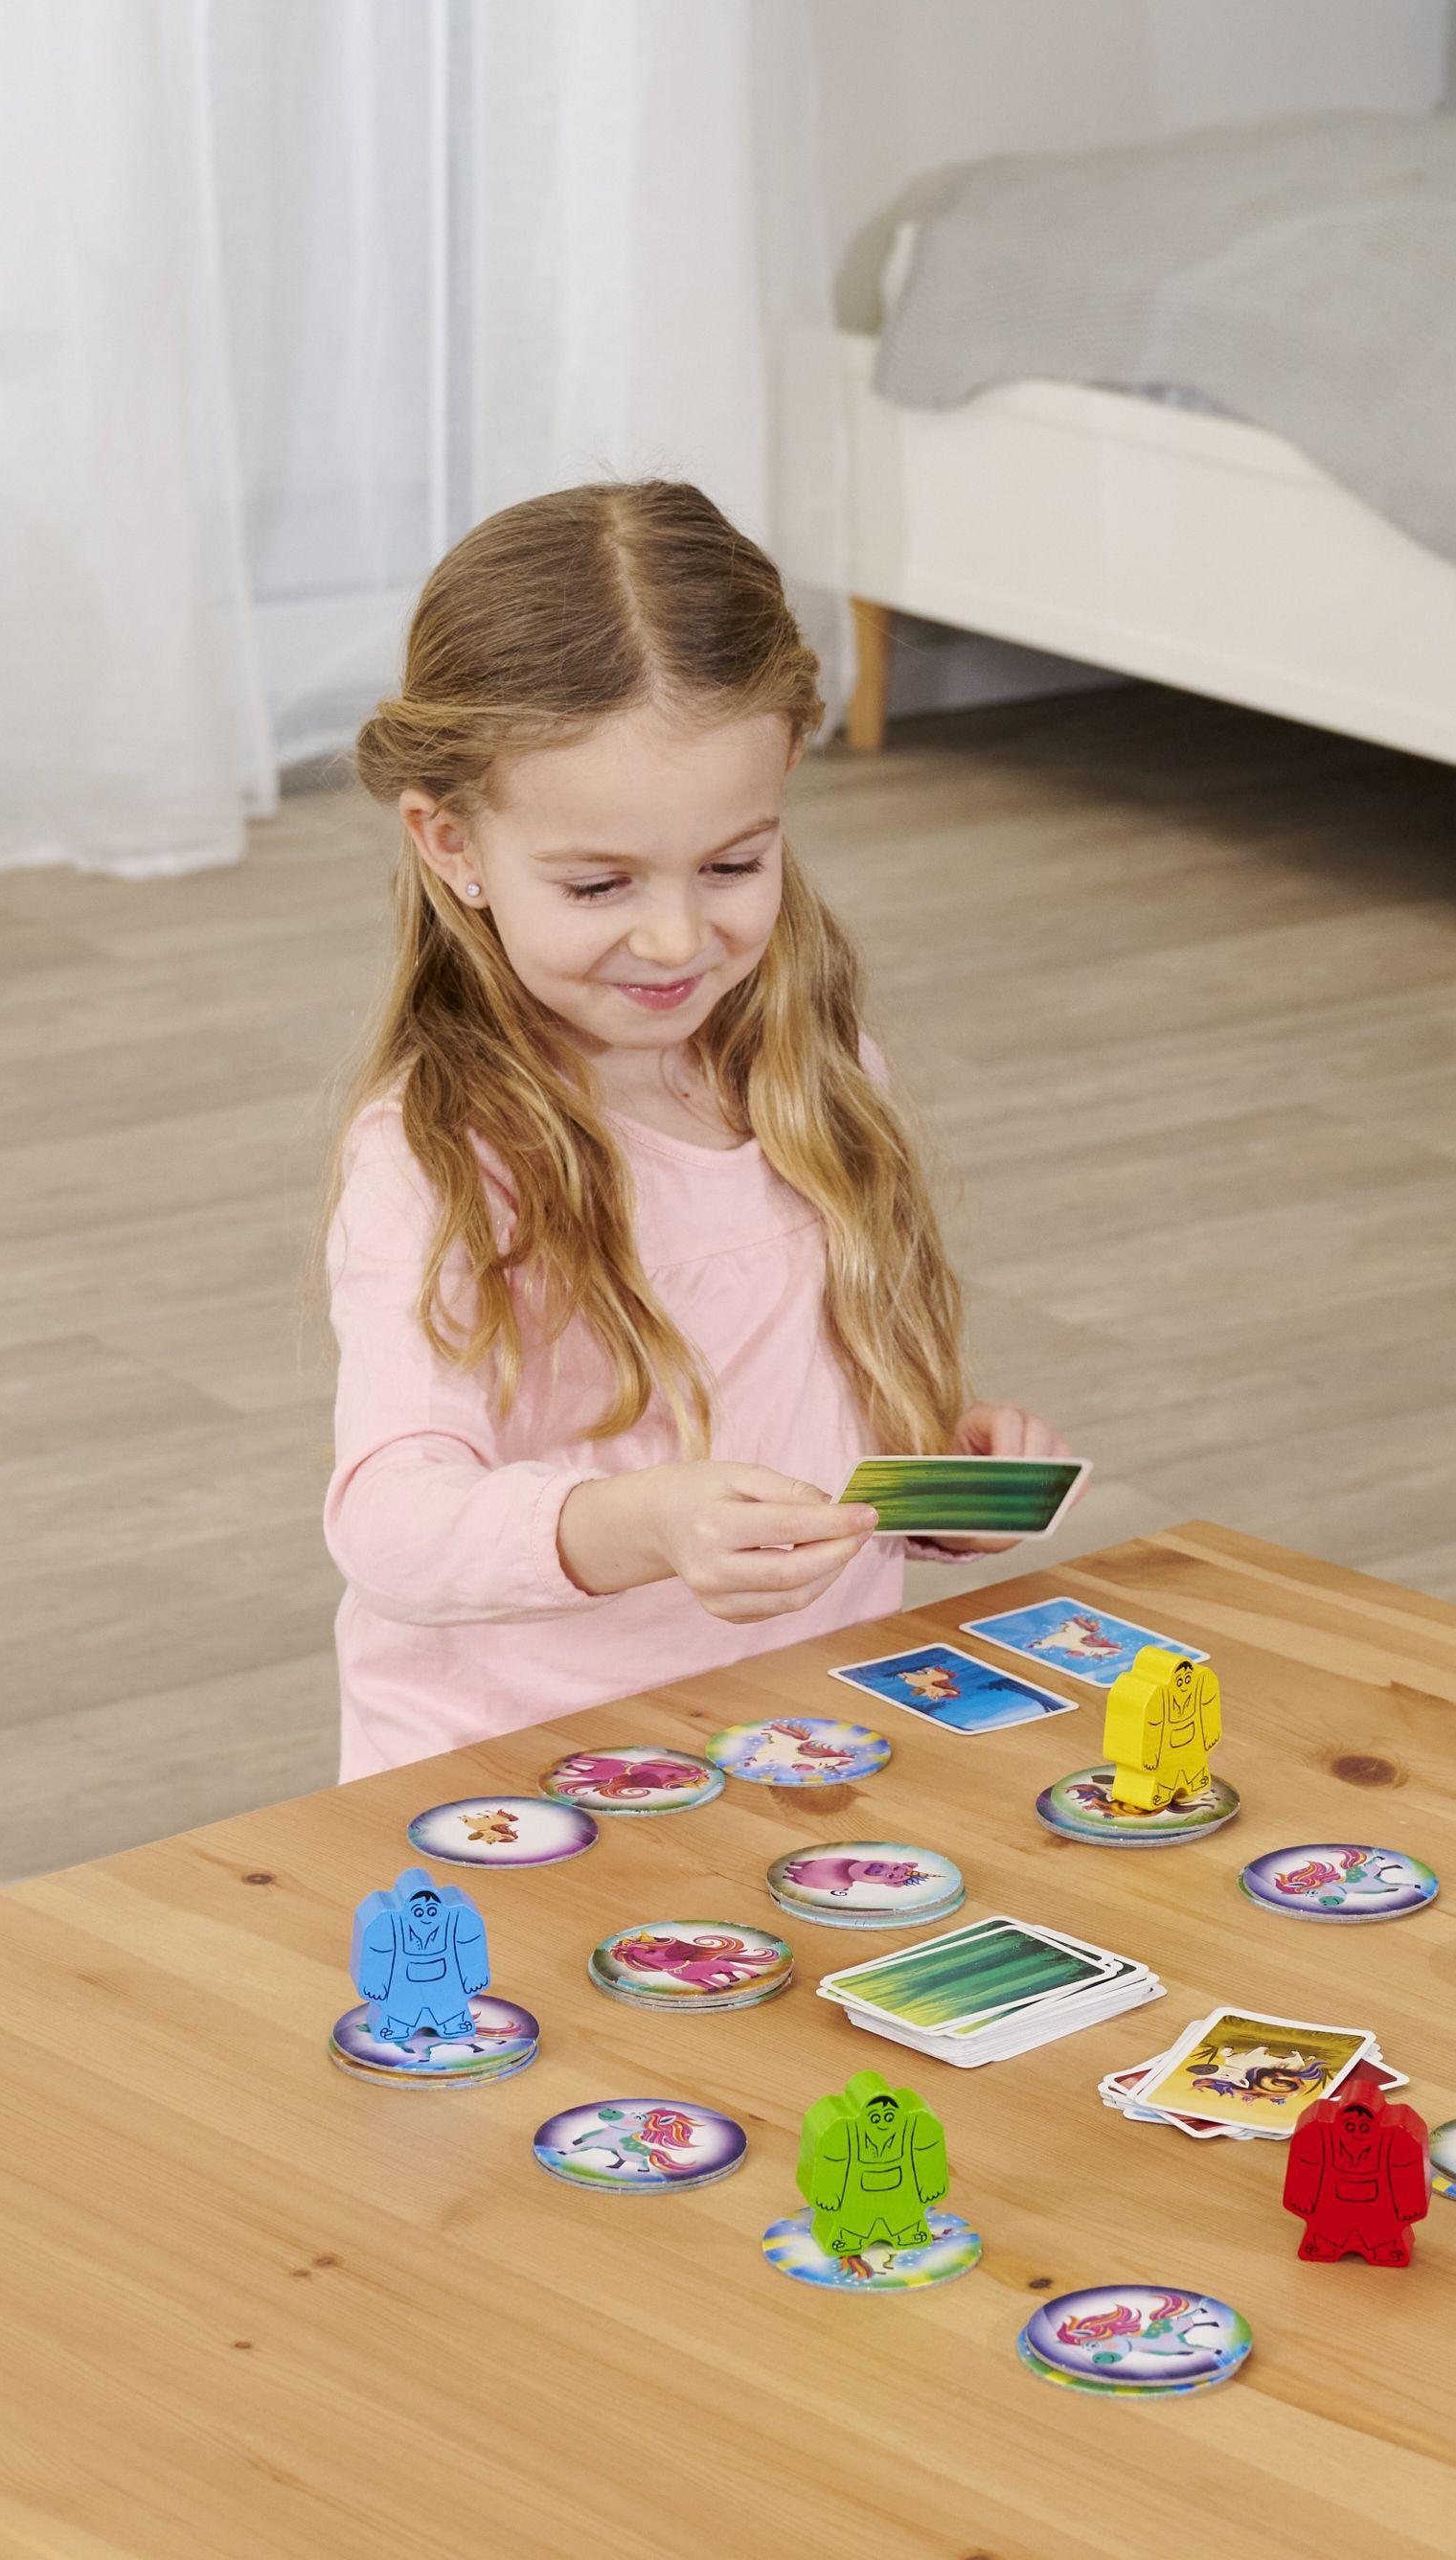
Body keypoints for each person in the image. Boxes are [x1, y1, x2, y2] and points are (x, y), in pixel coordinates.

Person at [325, 481, 1070, 1779]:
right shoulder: (442, 1155)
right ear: (452, 844)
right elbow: (387, 1521)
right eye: (600, 883)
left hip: (807, 1736)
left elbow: (798, 1402)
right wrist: (636, 1524)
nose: (678, 938)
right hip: (520, 1778)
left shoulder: (819, 1070)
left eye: (733, 865)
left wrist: (932, 1478)